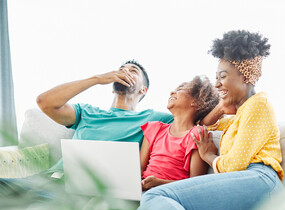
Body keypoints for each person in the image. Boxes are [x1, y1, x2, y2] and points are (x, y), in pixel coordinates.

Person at [135, 30, 284, 210]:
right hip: (244, 192)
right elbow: (203, 125)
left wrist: (209, 157)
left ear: (246, 76)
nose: (217, 84)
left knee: (153, 198)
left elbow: (234, 166)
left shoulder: (258, 104)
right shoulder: (240, 116)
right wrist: (222, 106)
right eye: (216, 78)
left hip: (260, 182)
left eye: (223, 76)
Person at [0, 59, 173, 196]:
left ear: (143, 90)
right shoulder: (87, 112)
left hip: (74, 193)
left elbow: (196, 120)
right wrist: (97, 79)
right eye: (122, 69)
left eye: (133, 71)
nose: (125, 72)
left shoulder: (153, 119)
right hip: (45, 180)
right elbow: (44, 102)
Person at [141, 76, 219, 191]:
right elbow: (139, 169)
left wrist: (158, 183)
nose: (172, 92)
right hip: (142, 190)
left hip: (171, 194)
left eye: (180, 89)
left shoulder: (196, 135)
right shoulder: (154, 129)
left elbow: (194, 184)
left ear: (196, 101)